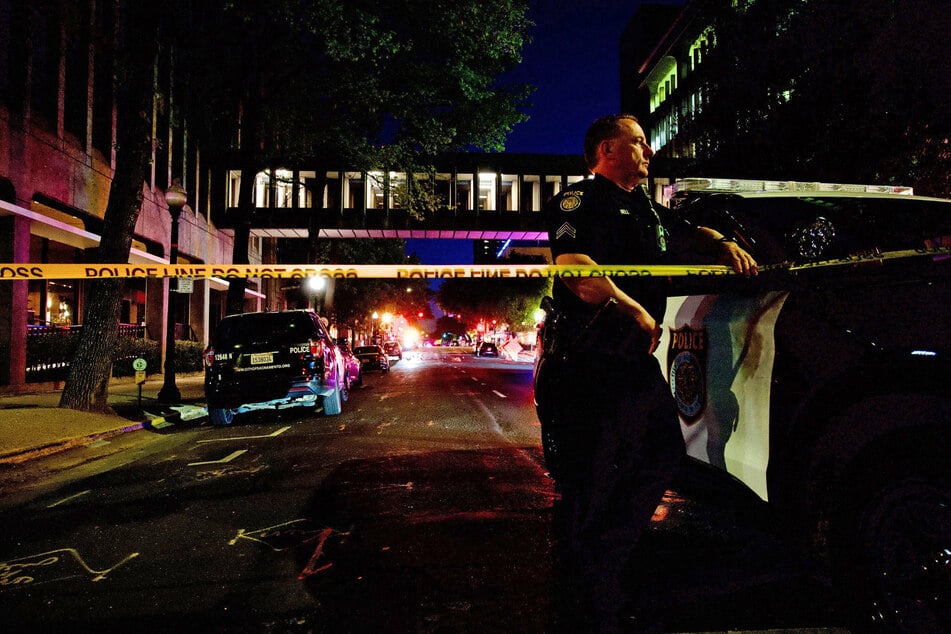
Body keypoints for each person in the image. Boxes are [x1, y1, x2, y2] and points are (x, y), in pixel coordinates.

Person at [534, 113, 757, 632]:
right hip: (587, 362)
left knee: (659, 454)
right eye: (638, 143)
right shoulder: (578, 200)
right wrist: (630, 307)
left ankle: (605, 564)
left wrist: (722, 245)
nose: (648, 152)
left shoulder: (645, 209)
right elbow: (572, 267)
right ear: (608, 149)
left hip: (630, 362)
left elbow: (687, 230)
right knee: (589, 482)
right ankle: (583, 603)